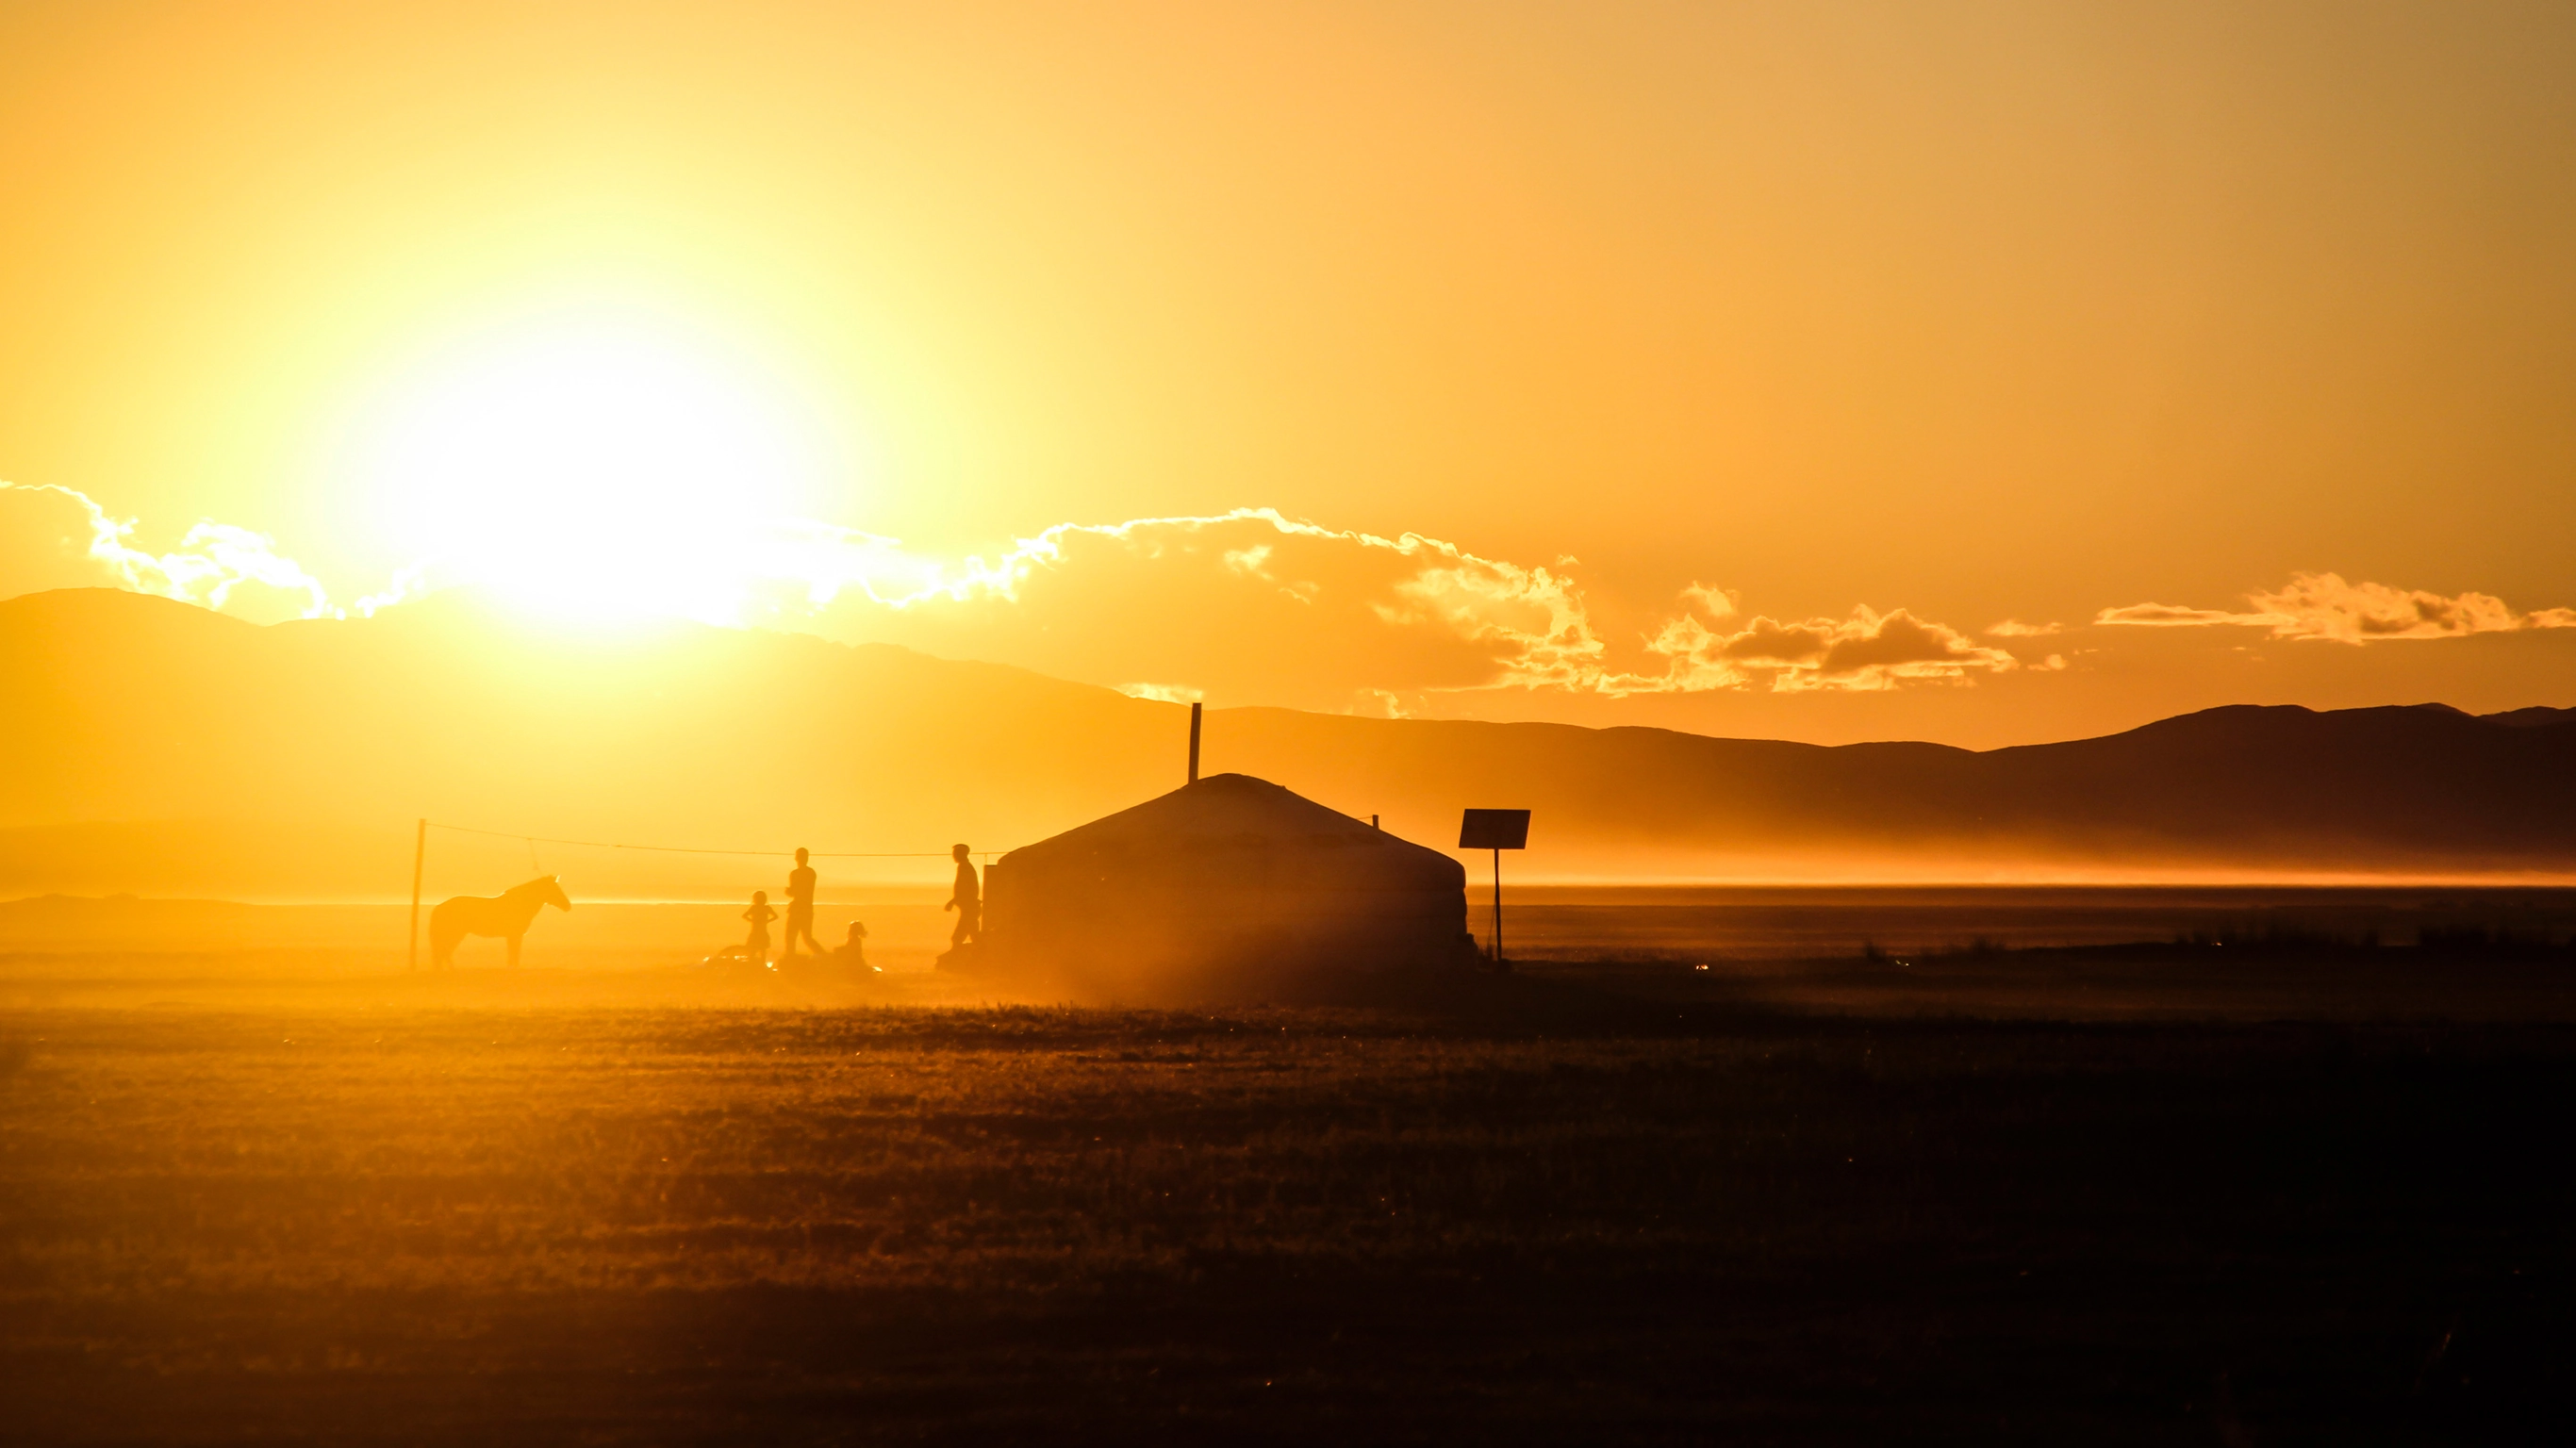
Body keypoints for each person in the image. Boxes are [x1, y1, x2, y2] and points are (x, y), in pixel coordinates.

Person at [779, 847, 823, 960]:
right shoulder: (811, 872)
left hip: (798, 909)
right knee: (807, 938)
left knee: (790, 937)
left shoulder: (796, 873)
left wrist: (788, 891)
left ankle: (790, 959)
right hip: (807, 909)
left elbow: (795, 891)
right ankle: (824, 956)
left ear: (797, 858)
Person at [944, 844, 980, 949]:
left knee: (957, 938)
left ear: (961, 854)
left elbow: (965, 888)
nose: (953, 856)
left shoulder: (965, 867)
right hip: (970, 909)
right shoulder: (964, 866)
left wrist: (953, 901)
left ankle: (958, 959)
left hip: (970, 909)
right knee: (974, 935)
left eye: (955, 854)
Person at [742, 890, 778, 959]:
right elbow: (776, 916)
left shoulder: (755, 908)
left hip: (758, 932)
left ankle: (754, 963)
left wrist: (752, 920)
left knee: (756, 950)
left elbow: (744, 916)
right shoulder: (764, 908)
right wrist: (767, 921)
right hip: (759, 932)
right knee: (760, 950)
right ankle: (757, 963)